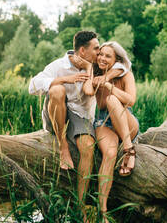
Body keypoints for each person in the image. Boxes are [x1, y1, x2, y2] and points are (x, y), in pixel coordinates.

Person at [28, 31, 128, 222]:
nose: (99, 53)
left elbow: (122, 66)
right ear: (83, 50)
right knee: (57, 90)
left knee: (88, 148)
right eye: (96, 48)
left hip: (80, 116)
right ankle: (63, 147)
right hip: (55, 113)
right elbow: (32, 86)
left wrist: (90, 67)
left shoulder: (96, 65)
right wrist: (65, 80)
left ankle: (80, 208)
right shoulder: (59, 65)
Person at [83, 41, 139, 222]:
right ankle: (103, 211)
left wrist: (110, 87)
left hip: (126, 121)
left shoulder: (126, 74)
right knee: (109, 152)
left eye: (108, 56)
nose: (102, 58)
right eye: (101, 54)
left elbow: (130, 101)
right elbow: (96, 102)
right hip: (103, 122)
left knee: (114, 100)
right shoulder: (96, 73)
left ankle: (129, 149)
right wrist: (100, 79)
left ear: (116, 60)